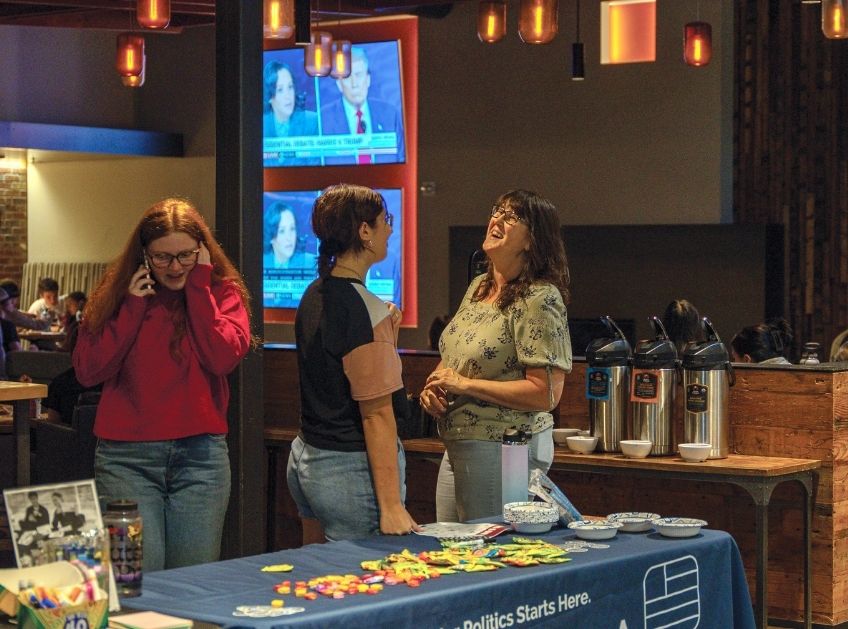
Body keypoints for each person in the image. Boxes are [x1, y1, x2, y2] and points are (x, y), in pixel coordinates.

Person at [73, 197, 253, 572]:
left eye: (185, 256)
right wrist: (131, 309)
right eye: (162, 258)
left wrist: (199, 289)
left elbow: (221, 358)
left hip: (200, 460)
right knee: (138, 584)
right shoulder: (118, 294)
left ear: (202, 251)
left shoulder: (222, 292)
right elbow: (88, 371)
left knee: (192, 583)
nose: (174, 267)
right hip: (126, 461)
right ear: (143, 255)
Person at [420, 190, 572, 522]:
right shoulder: (478, 287)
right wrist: (436, 388)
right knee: (449, 555)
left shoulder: (539, 299)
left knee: (485, 556)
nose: (497, 220)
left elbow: (545, 393)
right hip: (459, 442)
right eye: (497, 211)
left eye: (512, 217)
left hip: (505, 448)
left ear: (532, 241)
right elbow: (456, 353)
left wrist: (465, 384)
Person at [286, 183, 419, 543]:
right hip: (350, 471)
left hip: (307, 460)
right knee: (364, 588)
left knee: (319, 584)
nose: (389, 229)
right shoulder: (366, 311)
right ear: (364, 231)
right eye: (384, 221)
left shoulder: (314, 293)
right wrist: (391, 506)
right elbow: (376, 413)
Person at [320, 47, 405, 164]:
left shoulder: (390, 114)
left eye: (359, 75)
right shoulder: (322, 120)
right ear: (339, 84)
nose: (355, 84)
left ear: (368, 79)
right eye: (347, 77)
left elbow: (401, 160)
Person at [263, 60, 320, 166]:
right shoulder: (261, 127)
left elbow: (315, 168)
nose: (288, 95)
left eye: (290, 87)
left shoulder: (311, 122)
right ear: (269, 96)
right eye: (280, 90)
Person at [263, 202, 317, 271]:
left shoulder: (310, 263)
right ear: (271, 236)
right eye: (282, 231)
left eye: (292, 229)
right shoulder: (260, 263)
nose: (289, 238)